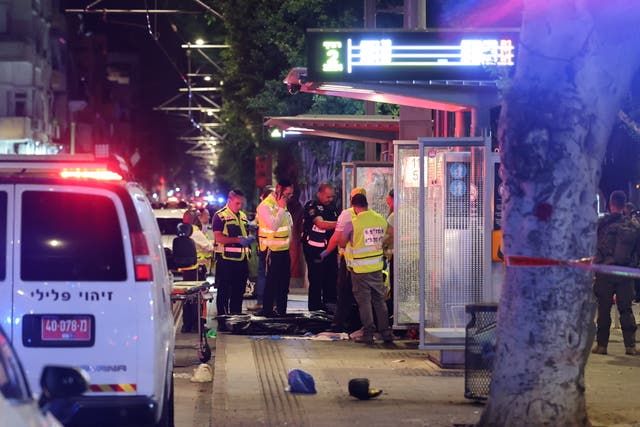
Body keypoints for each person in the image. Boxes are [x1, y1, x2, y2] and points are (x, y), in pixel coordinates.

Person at [329, 192, 392, 345]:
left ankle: (368, 333)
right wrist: (382, 244)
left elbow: (342, 243)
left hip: (359, 269)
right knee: (379, 300)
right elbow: (392, 233)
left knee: (364, 302)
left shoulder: (352, 223)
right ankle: (385, 332)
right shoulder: (379, 219)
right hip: (376, 267)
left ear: (354, 207)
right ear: (366, 204)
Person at [592, 190, 640, 356]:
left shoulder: (602, 223)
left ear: (610, 203)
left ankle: (602, 345)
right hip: (625, 273)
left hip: (605, 272)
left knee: (604, 308)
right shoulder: (633, 226)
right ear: (624, 204)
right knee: (626, 309)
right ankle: (630, 346)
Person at [323, 187, 366, 332]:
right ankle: (362, 325)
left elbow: (338, 240)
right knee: (365, 295)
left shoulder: (347, 215)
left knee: (344, 292)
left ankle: (339, 323)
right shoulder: (374, 217)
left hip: (349, 262)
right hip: (370, 265)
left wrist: (326, 252)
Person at [212, 190, 255, 315]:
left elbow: (246, 232)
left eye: (241, 203)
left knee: (239, 291)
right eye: (237, 203)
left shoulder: (242, 216)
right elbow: (218, 238)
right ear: (229, 201)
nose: (240, 206)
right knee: (224, 292)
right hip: (226, 261)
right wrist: (238, 240)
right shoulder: (220, 216)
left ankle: (236, 318)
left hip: (241, 261)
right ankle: (223, 320)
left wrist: (250, 237)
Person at [256, 179, 294, 317]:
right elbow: (273, 226)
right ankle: (267, 310)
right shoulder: (264, 206)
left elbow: (288, 227)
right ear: (278, 189)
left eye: (291, 194)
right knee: (271, 283)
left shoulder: (283, 204)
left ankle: (281, 311)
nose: (289, 197)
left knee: (284, 283)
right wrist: (281, 208)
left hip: (284, 250)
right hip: (271, 251)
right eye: (287, 193)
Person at [302, 183, 339, 312]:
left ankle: (330, 309)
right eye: (328, 196)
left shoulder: (333, 208)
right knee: (316, 281)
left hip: (331, 250)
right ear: (320, 194)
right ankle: (314, 311)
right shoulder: (312, 206)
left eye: (332, 197)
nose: (330, 199)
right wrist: (340, 223)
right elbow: (320, 224)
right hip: (315, 251)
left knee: (331, 279)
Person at [180, 209, 214, 332]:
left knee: (187, 298)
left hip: (186, 269)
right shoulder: (195, 231)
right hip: (197, 270)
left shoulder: (182, 231)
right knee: (197, 297)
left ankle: (186, 325)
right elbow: (208, 246)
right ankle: (197, 325)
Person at [247, 185, 273, 312]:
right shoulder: (276, 208)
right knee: (269, 275)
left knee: (264, 275)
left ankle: (263, 302)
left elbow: (255, 225)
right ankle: (269, 302)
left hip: (265, 248)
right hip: (273, 248)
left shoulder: (263, 209)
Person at [383, 189, 395, 321]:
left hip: (398, 258)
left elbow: (390, 236)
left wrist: (380, 244)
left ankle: (394, 318)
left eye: (389, 201)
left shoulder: (393, 216)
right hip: (414, 258)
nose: (388, 204)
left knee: (395, 290)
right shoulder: (413, 212)